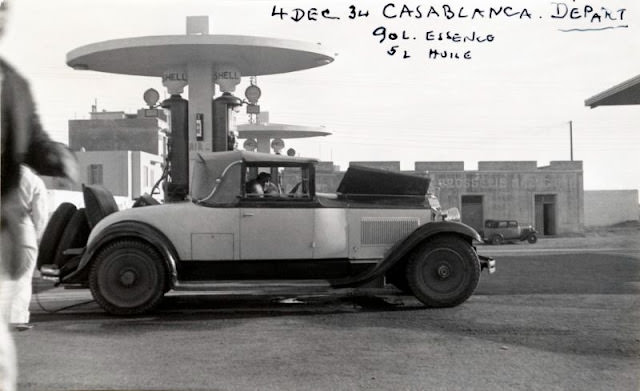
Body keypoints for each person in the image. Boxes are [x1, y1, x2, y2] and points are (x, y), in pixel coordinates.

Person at [0, 1, 78, 389]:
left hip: (13, 231)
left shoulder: (14, 84)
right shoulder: (30, 177)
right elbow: (41, 210)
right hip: (21, 232)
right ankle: (16, 319)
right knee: (18, 283)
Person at [7, 166, 48, 330]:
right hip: (24, 235)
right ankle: (16, 319)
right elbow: (41, 216)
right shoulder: (34, 180)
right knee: (22, 279)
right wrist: (36, 236)